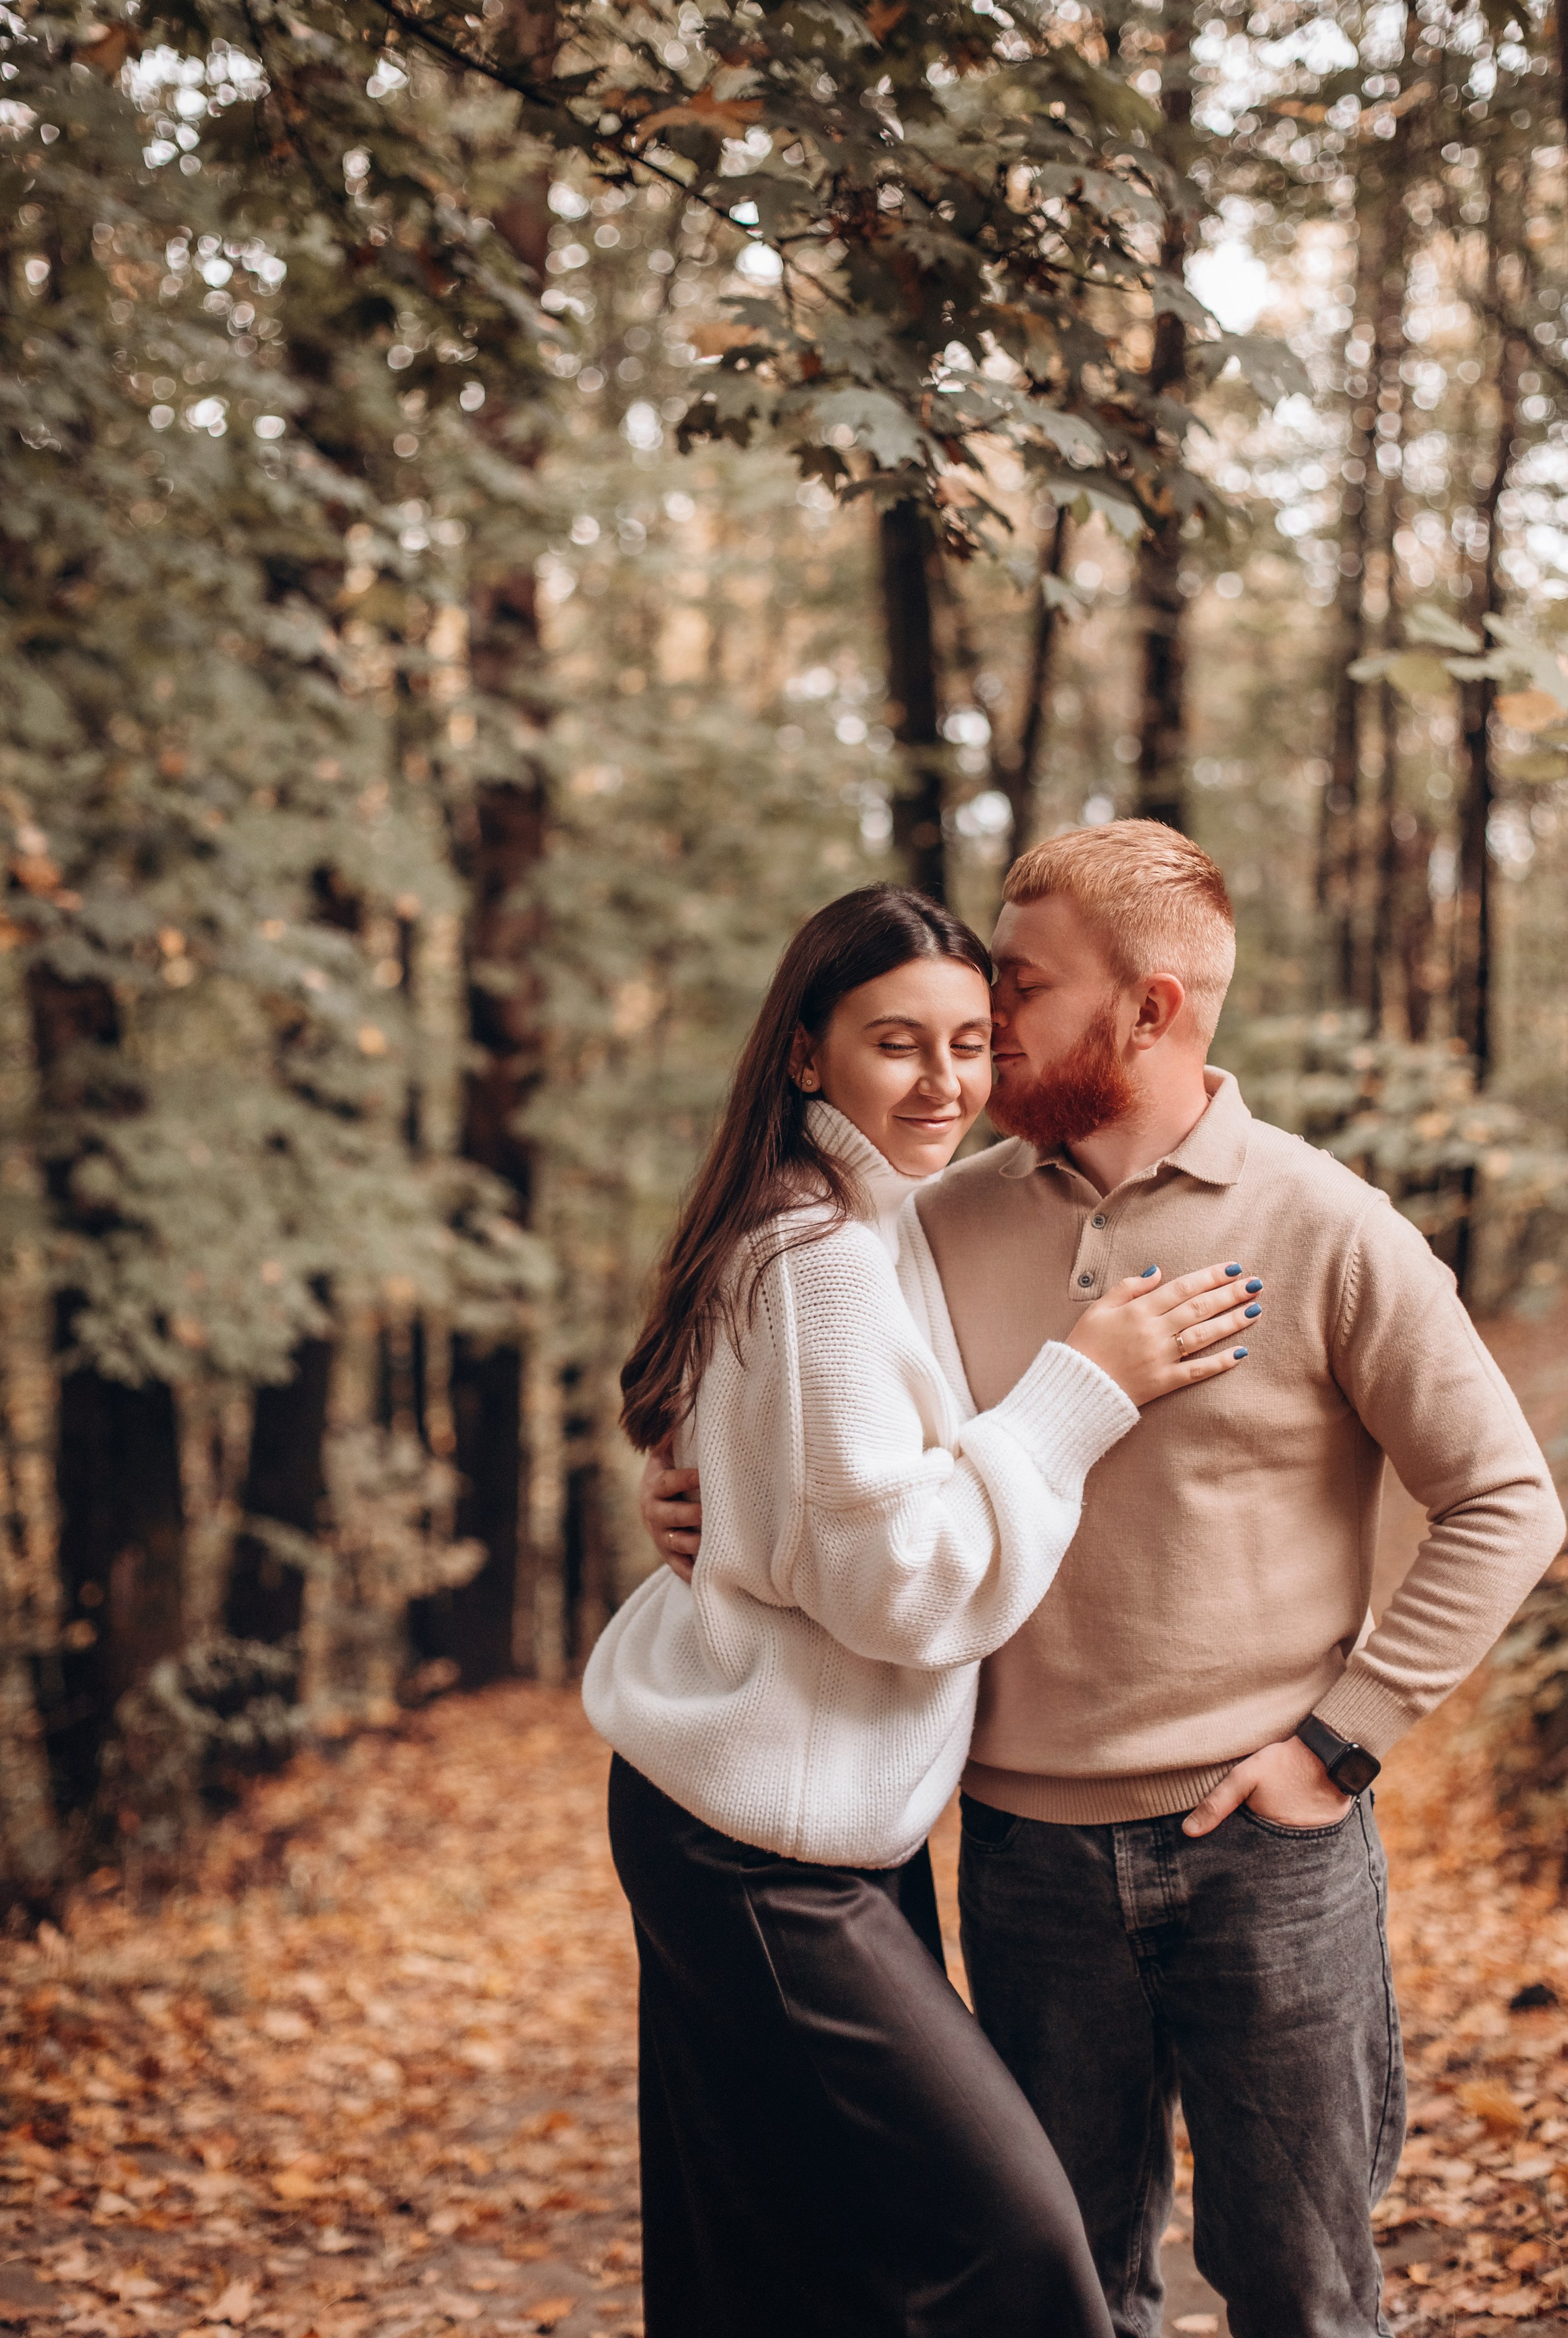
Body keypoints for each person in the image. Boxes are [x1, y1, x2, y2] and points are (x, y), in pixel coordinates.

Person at [643, 823, 1566, 2338]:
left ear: (1147, 1008)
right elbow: (804, 1411)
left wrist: (1339, 1744)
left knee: (1304, 2294)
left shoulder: (1325, 1224)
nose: (986, 1020)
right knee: (1062, 2291)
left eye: (1019, 985)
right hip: (1023, 1860)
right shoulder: (931, 1217)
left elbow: (1504, 1501)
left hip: (1267, 1853)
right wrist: (695, 1495)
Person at [582, 882, 1262, 2338]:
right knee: (1014, 2251)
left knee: (787, 2272)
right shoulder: (819, 1255)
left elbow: (785, 1470)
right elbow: (901, 1582)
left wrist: (704, 1499)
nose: (945, 1082)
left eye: (969, 1043)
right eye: (897, 1044)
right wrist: (1087, 1388)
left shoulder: (863, 1217)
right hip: (760, 1849)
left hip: (808, 1821)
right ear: (804, 1053)